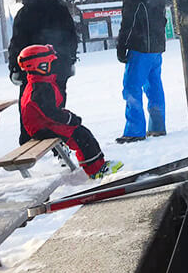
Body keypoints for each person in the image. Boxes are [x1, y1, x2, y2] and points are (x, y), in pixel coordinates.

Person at [17, 45, 122, 179]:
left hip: (44, 124)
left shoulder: (41, 82)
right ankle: (96, 171)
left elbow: (50, 110)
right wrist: (69, 119)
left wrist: (70, 117)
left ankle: (97, 165)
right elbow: (50, 112)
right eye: (50, 62)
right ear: (40, 65)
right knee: (80, 136)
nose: (53, 65)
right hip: (42, 128)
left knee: (82, 132)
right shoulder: (40, 88)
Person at [8, 0, 79, 144]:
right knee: (56, 106)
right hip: (58, 66)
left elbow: (17, 44)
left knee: (29, 106)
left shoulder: (25, 13)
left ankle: (27, 143)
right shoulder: (61, 9)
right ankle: (59, 143)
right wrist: (69, 59)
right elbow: (71, 37)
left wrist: (14, 69)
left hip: (33, 70)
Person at [115, 0, 167, 143]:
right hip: (156, 48)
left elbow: (128, 23)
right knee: (154, 86)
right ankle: (157, 126)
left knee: (131, 88)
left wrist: (122, 46)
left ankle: (134, 130)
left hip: (140, 47)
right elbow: (163, 20)